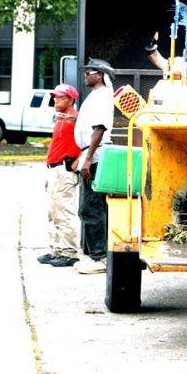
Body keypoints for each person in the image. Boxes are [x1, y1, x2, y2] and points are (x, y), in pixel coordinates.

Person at [72, 58, 115, 274]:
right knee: (91, 206)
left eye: (88, 72)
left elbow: (99, 128)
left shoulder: (102, 95)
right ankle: (94, 255)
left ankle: (99, 258)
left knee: (91, 207)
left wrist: (87, 159)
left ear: (99, 75)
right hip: (90, 152)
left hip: (95, 154)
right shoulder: (98, 95)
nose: (85, 75)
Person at [37, 83, 81, 268]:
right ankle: (56, 249)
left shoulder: (76, 119)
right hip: (54, 169)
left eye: (60, 97)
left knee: (63, 211)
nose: (56, 100)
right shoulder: (62, 119)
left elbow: (87, 139)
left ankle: (69, 252)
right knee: (53, 211)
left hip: (64, 169)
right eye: (55, 97)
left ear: (71, 100)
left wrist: (79, 158)